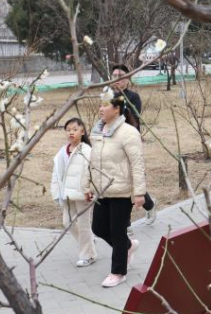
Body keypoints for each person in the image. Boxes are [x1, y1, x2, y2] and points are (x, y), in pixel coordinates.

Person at [87, 90, 146, 288]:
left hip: (121, 190)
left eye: (105, 105)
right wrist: (88, 185)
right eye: (100, 105)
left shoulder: (129, 133)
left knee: (117, 231)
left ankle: (118, 272)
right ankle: (128, 247)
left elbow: (137, 164)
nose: (101, 109)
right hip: (102, 190)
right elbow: (92, 161)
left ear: (117, 109)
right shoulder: (97, 131)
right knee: (98, 228)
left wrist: (139, 192)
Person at [111, 64, 157, 225]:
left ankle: (146, 208)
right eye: (114, 75)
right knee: (121, 182)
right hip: (111, 144)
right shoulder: (107, 95)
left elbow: (134, 118)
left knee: (132, 179)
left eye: (121, 75)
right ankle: (131, 218)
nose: (117, 78)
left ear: (127, 79)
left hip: (129, 142)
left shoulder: (133, 97)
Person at [50, 118, 97, 267]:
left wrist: (90, 190)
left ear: (82, 132)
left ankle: (87, 255)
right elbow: (57, 174)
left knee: (83, 225)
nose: (71, 132)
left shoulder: (87, 151)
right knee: (67, 222)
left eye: (74, 129)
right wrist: (57, 192)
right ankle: (89, 243)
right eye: (68, 129)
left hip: (83, 194)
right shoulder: (62, 152)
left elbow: (93, 173)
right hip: (67, 194)